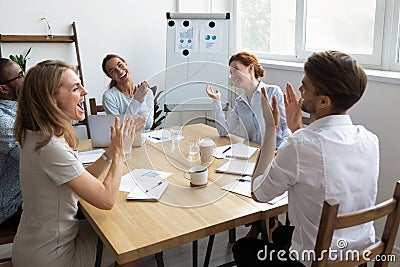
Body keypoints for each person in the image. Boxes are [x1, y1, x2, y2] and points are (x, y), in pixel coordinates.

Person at [232, 50, 379, 267]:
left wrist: (271, 129)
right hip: (357, 256)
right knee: (282, 233)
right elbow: (318, 159)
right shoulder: (369, 140)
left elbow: (259, 193)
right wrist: (296, 130)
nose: (300, 89)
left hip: (315, 261)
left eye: (305, 86)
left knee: (243, 247)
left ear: (323, 101)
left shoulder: (300, 145)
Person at [12, 60, 146, 267]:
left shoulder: (37, 135)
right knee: (130, 240)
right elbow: (106, 199)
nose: (84, 91)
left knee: (121, 227)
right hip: (52, 256)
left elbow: (83, 179)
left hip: (35, 243)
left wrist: (110, 151)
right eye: (75, 88)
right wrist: (120, 151)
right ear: (51, 100)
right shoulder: (50, 147)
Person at [206, 52, 291, 149]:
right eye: (231, 72)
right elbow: (223, 131)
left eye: (236, 69)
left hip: (274, 153)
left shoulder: (273, 92)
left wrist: (281, 150)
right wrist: (216, 100)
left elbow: (286, 126)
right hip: (254, 154)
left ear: (251, 68)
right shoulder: (240, 102)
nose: (232, 76)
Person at [0, 58, 24, 229]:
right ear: (3, 88)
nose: (26, 79)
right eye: (21, 75)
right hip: (9, 206)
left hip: (24, 192)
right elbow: (40, 161)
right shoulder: (4, 122)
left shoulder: (19, 109)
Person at [102, 54, 154, 130]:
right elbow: (121, 128)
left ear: (126, 64)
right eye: (113, 71)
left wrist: (141, 101)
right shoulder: (109, 96)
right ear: (110, 77)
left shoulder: (147, 92)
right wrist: (136, 101)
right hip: (124, 141)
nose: (119, 71)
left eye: (120, 65)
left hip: (146, 140)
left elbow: (148, 125)